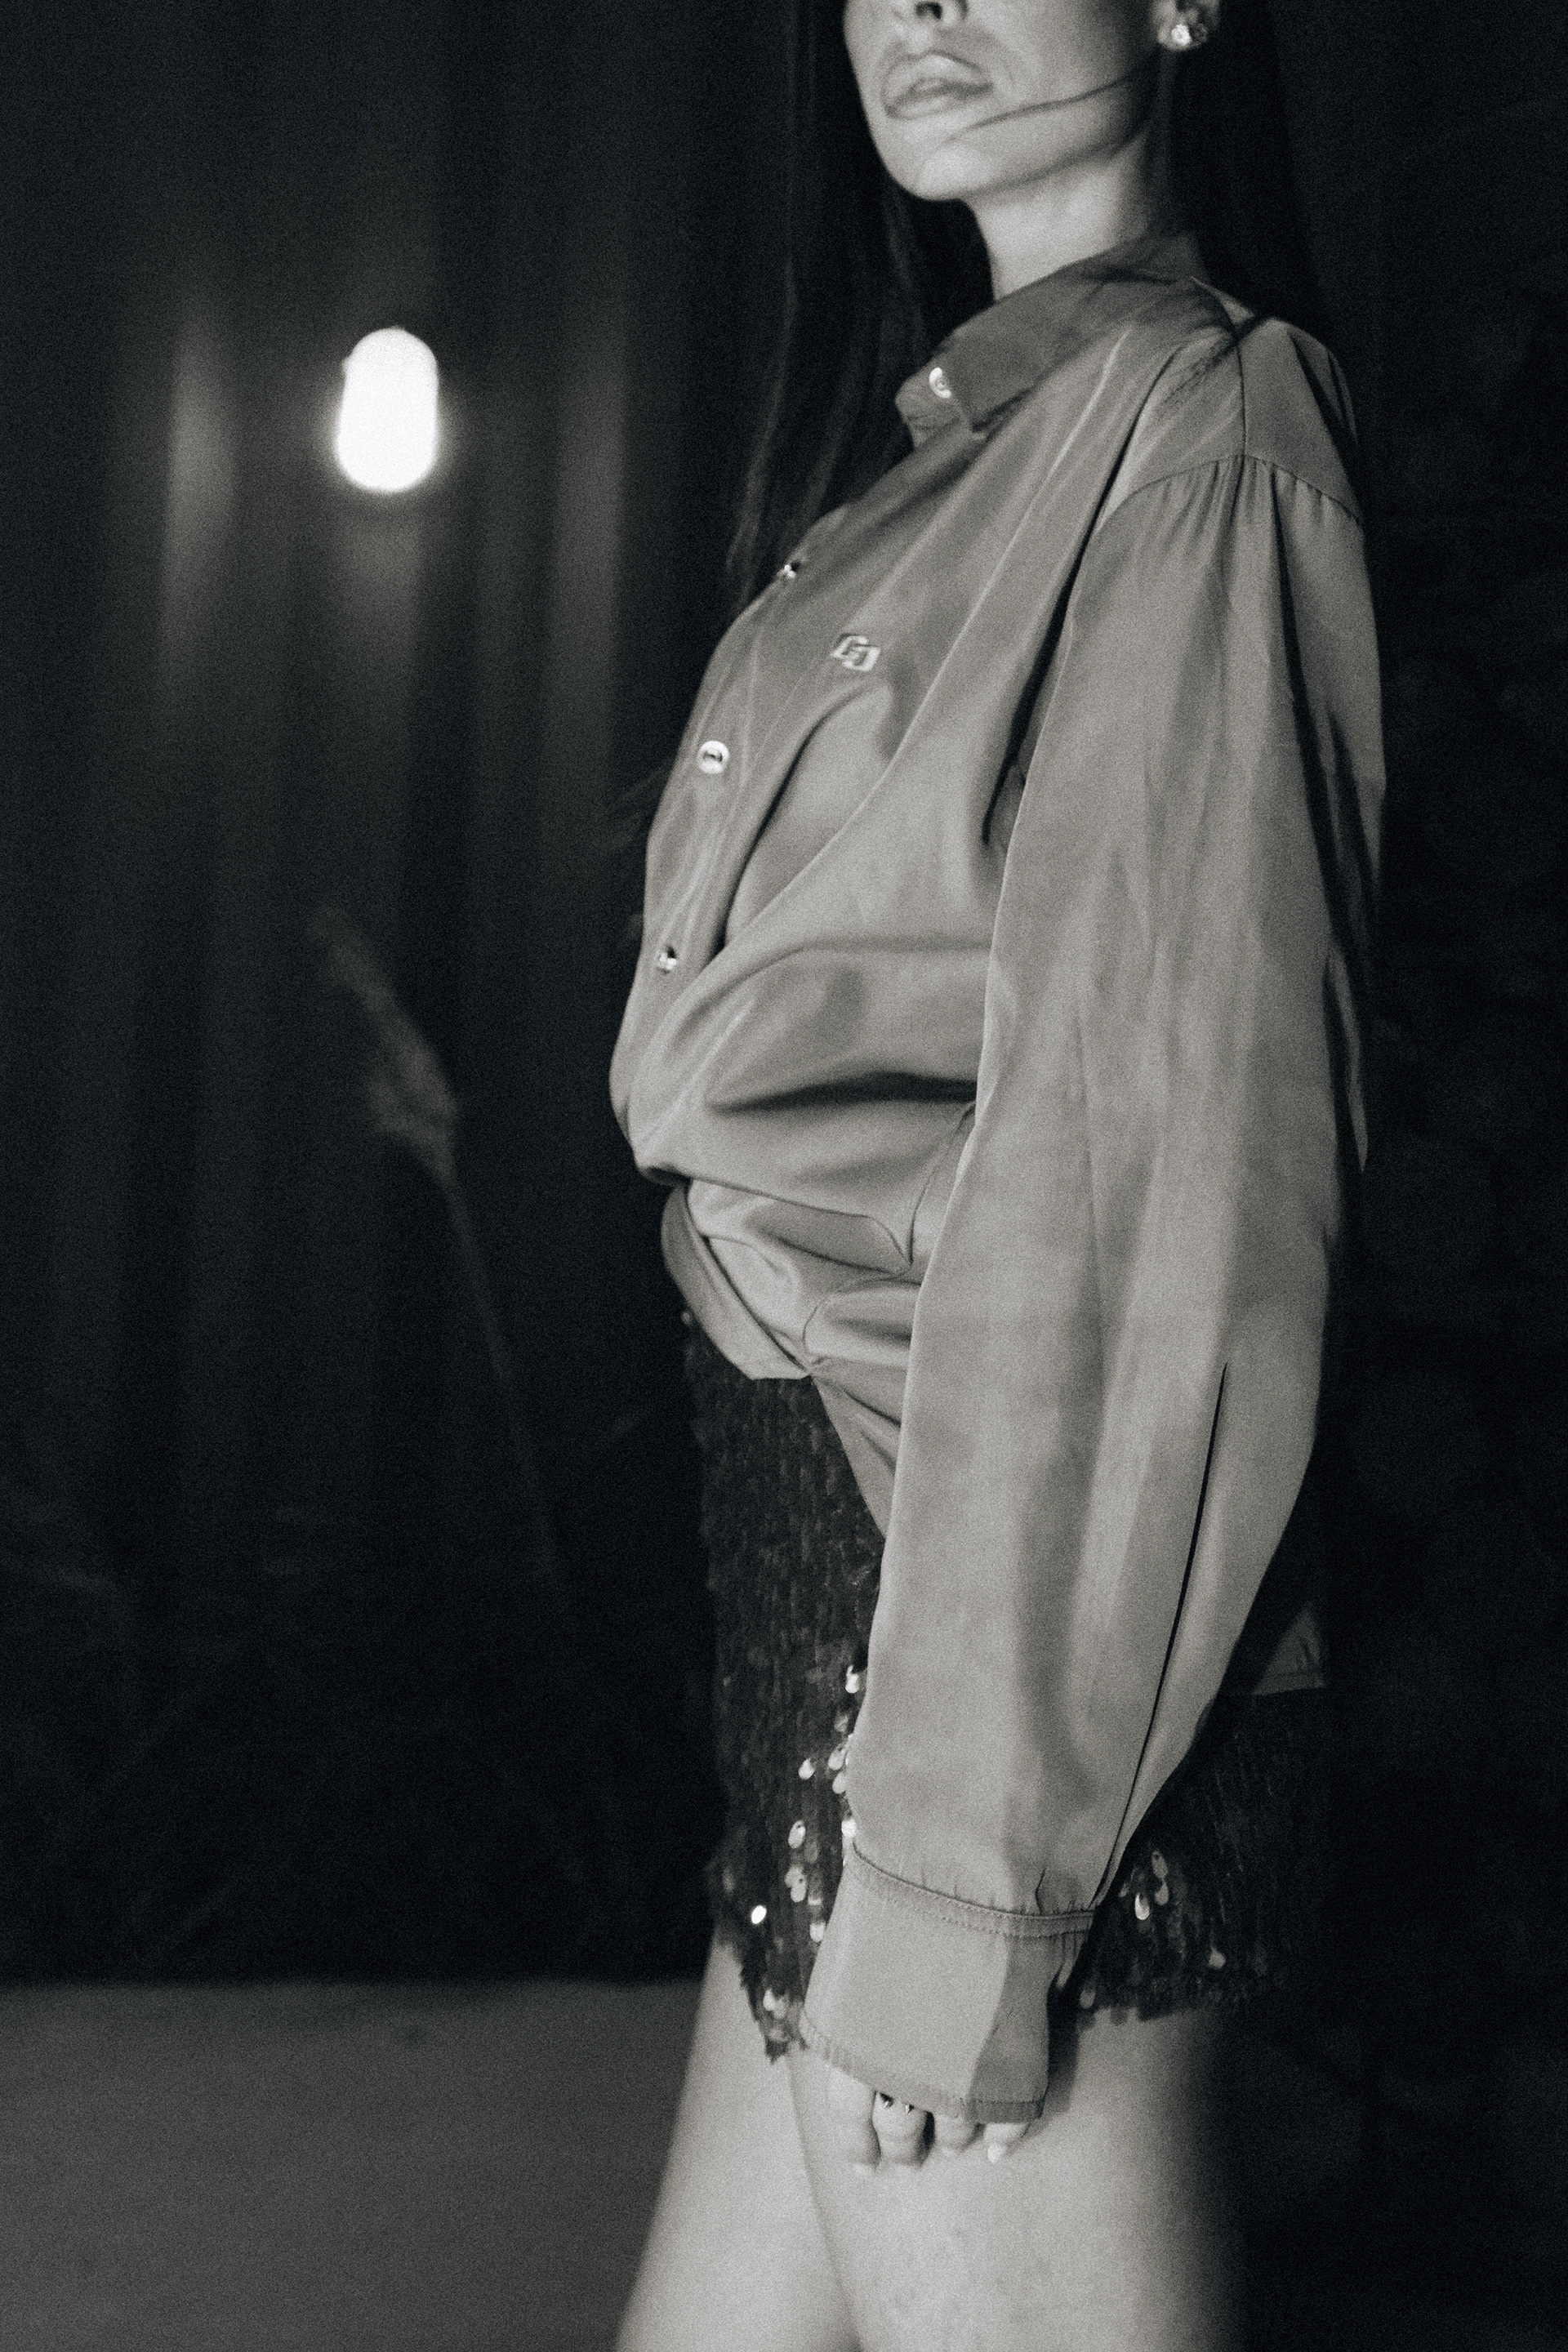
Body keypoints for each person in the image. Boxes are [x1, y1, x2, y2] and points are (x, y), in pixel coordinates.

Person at [610, 0, 1383, 2344]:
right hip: (830, 1620)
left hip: (997, 1660)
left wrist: (969, 1883)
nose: (924, 5)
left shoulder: (1201, 437)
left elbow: (1158, 1199)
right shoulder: (939, 458)